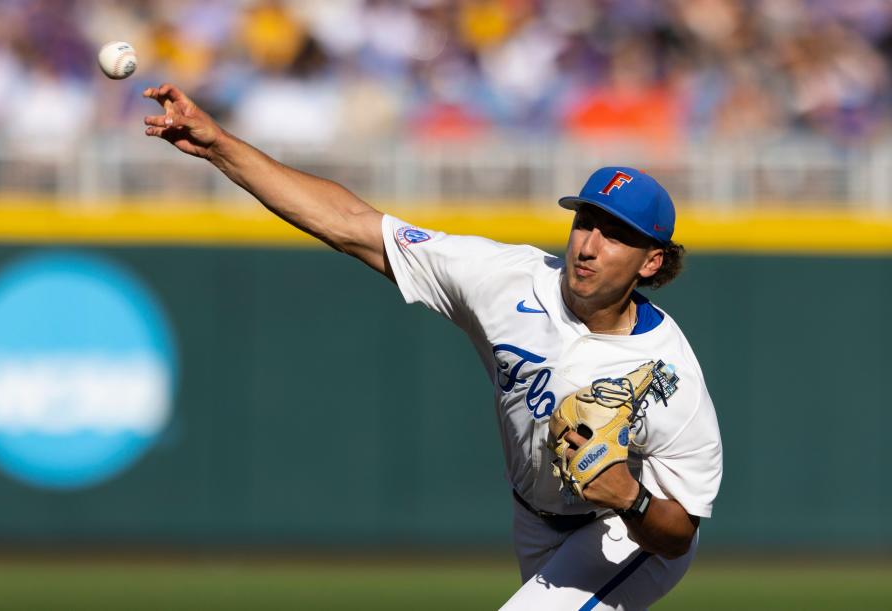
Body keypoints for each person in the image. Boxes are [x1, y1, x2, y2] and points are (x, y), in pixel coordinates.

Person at [142, 83, 723, 610]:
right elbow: (350, 223)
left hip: (625, 535)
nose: (590, 245)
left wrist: (630, 499)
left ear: (650, 261)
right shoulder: (506, 278)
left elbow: (680, 534)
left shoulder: (668, 374)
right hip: (533, 518)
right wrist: (218, 145)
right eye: (585, 222)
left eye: (616, 234)